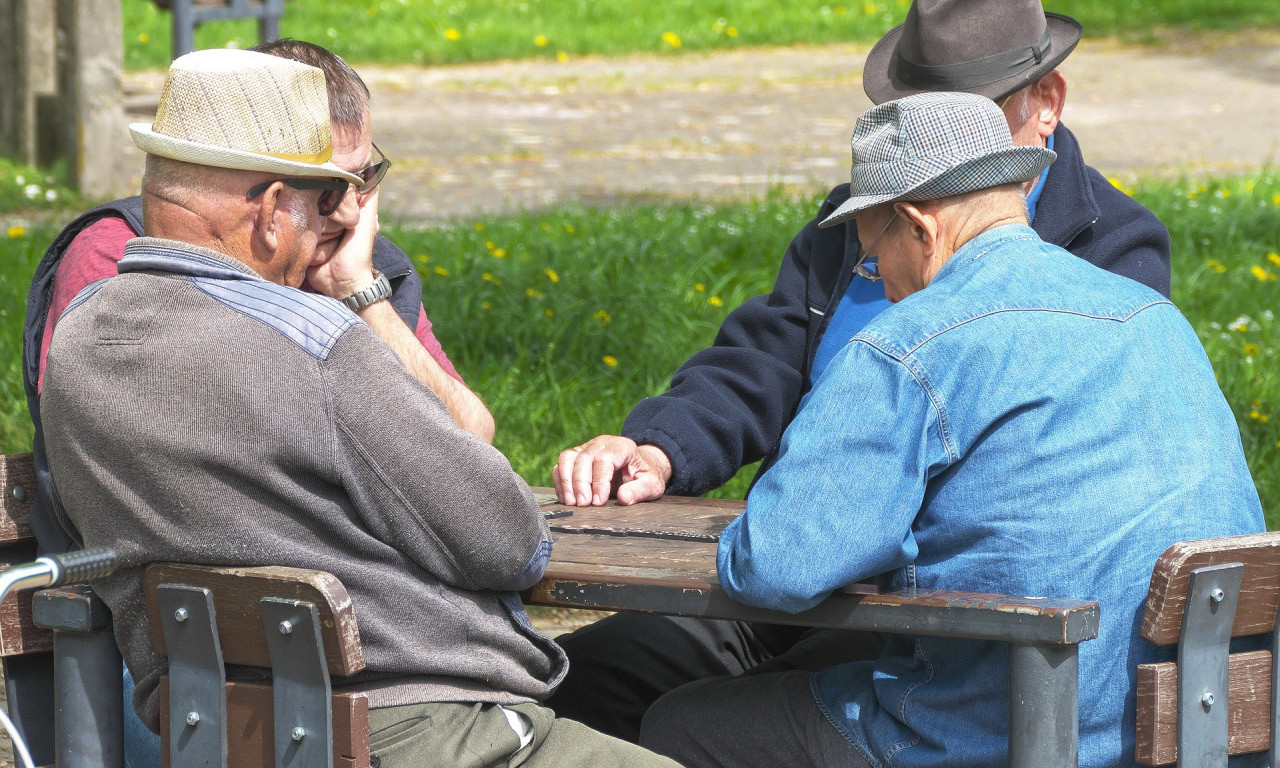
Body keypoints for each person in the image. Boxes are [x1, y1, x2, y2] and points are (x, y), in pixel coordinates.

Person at [547, 0, 1175, 740]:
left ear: (1048, 104)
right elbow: (764, 354)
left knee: (709, 721)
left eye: (962, 116)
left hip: (950, 622)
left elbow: (1065, 503)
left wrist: (826, 530)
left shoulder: (1100, 255)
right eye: (913, 113)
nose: (871, 263)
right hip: (818, 567)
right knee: (574, 678)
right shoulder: (870, 218)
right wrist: (662, 446)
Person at [38, 48, 679, 768]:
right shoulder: (314, 342)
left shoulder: (79, 341)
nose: (336, 222)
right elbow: (509, 538)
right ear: (274, 210)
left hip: (214, 732)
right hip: (421, 729)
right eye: (324, 200)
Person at [638, 90, 1264, 768]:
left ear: (918, 226)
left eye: (871, 257)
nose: (877, 279)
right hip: (1197, 731)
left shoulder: (910, 347)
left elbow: (777, 566)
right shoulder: (1154, 320)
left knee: (682, 724)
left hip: (1001, 735)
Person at [23, 38, 493, 559]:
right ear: (269, 196)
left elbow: (470, 452)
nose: (350, 215)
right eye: (327, 191)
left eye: (364, 180)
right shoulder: (121, 255)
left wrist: (362, 296)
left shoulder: (365, 266)